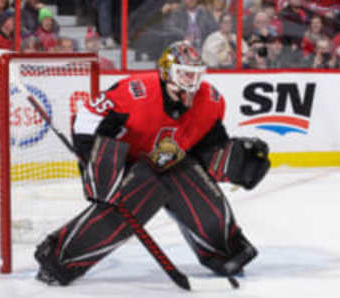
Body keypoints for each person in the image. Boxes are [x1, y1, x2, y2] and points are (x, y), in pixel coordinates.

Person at [33, 40, 270, 286]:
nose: (191, 82)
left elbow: (209, 146)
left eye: (195, 75)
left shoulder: (209, 100)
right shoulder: (136, 92)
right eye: (184, 74)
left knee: (199, 194)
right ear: (167, 73)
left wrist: (233, 159)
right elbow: (87, 117)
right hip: (129, 164)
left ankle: (225, 252)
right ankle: (58, 260)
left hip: (169, 160)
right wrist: (96, 160)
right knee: (120, 210)